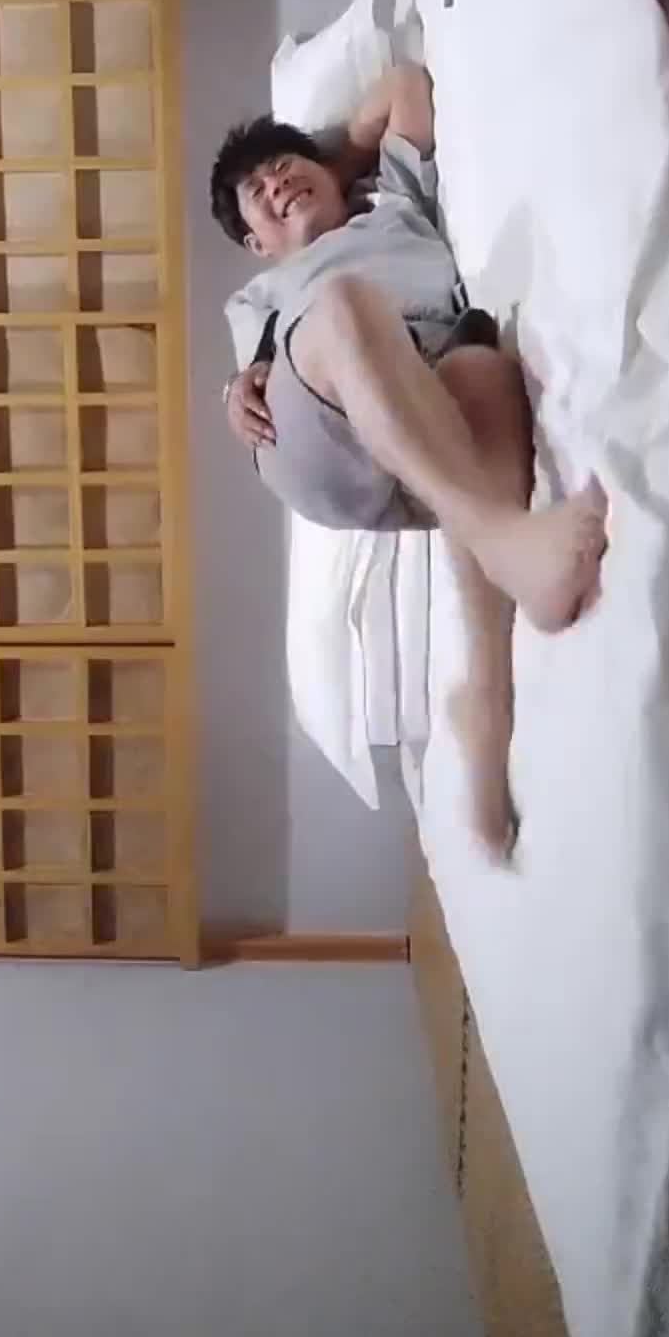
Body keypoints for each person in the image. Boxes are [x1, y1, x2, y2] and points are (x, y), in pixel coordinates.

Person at [210, 62, 609, 860]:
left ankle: (486, 705)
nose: (276, 180)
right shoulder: (260, 298)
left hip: (422, 415)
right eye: (258, 190)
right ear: (255, 246)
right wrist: (237, 386)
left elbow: (402, 85)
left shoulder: (393, 199)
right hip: (317, 435)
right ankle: (505, 543)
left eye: (285, 164)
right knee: (345, 302)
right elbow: (264, 378)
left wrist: (327, 165)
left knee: (484, 371)